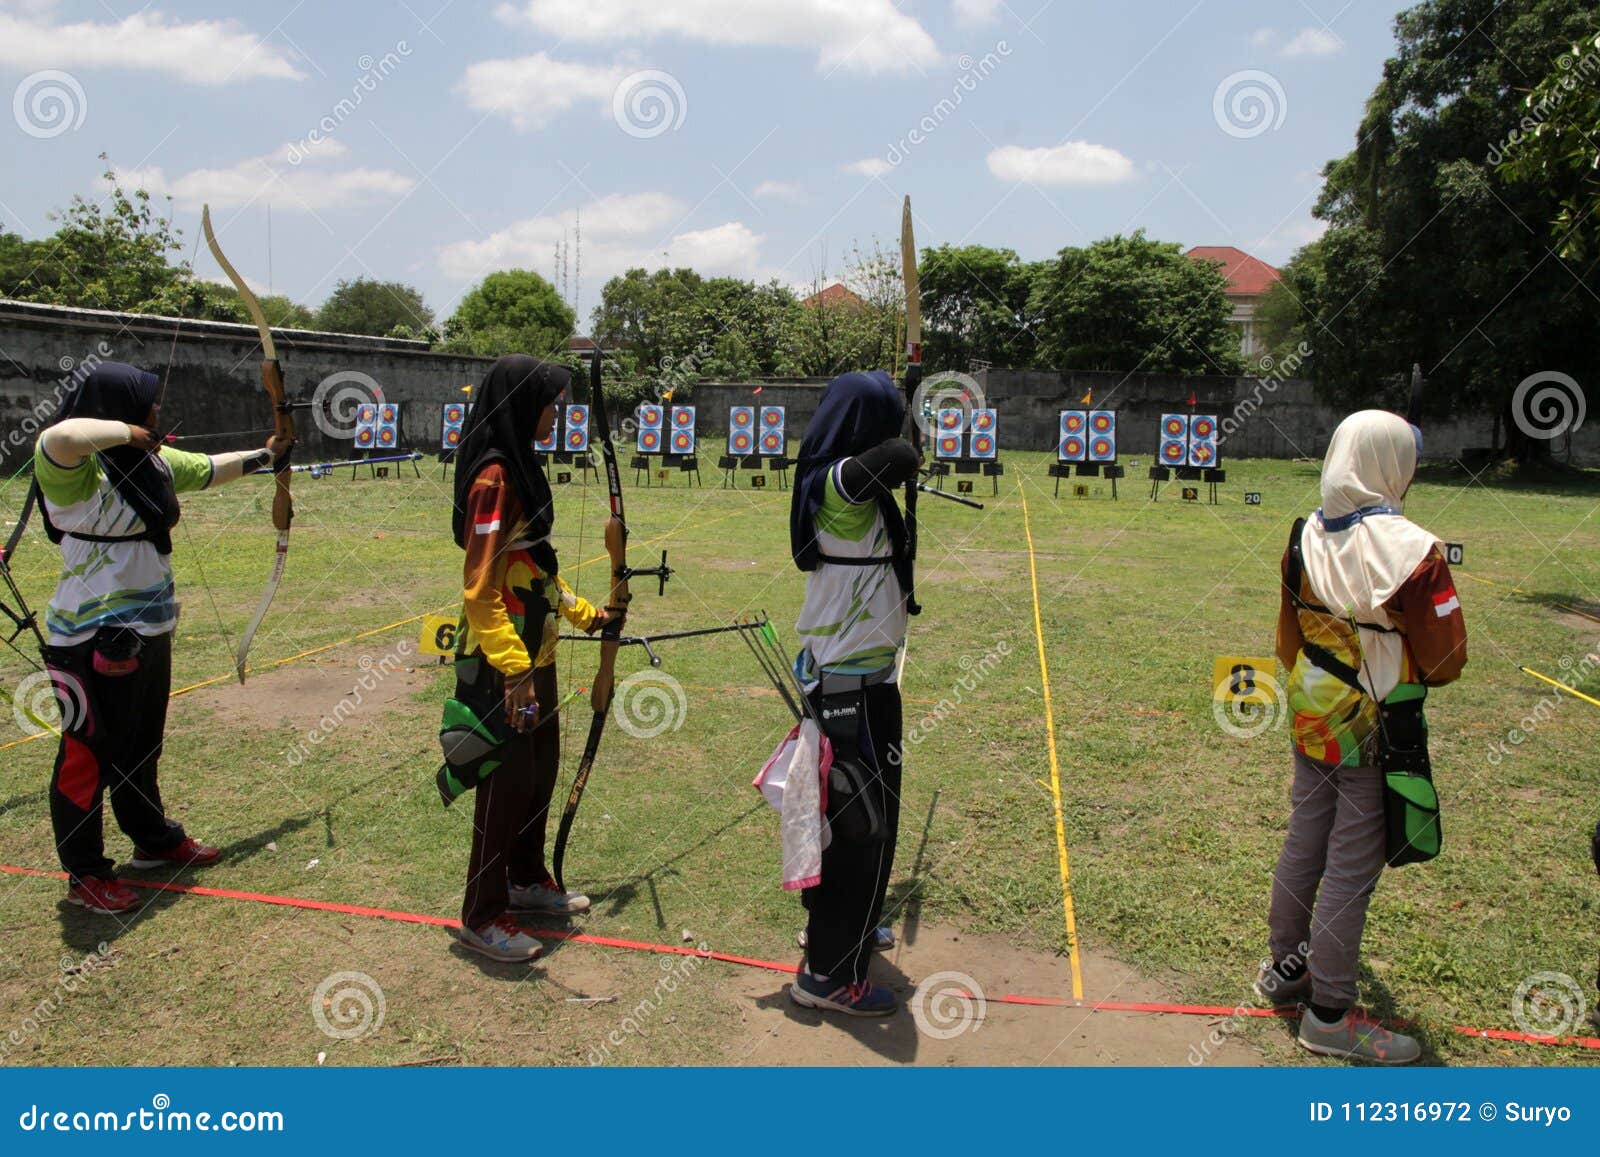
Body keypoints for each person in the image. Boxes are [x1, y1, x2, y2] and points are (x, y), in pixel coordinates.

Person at [31, 362, 286, 914]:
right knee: (87, 753)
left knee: (142, 744)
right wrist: (129, 433)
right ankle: (86, 875)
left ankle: (152, 838)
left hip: (148, 628)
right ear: (120, 412)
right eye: (148, 405)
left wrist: (268, 455)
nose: (157, 413)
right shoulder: (75, 468)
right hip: (87, 636)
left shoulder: (147, 462)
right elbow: (62, 434)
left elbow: (205, 469)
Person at [1258, 409, 1466, 1063]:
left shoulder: (1303, 535)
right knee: (1351, 866)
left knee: (1304, 840)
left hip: (1313, 708)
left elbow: (1288, 640)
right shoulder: (1414, 550)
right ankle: (1327, 1014)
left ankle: (1285, 971)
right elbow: (1445, 660)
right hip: (1375, 721)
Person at [449, 354, 607, 964]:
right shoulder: (495, 477)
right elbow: (481, 586)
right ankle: (483, 915)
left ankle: (523, 877)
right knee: (505, 782)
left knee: (539, 768)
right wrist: (513, 669)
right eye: (550, 403)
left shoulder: (522, 465)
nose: (557, 415)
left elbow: (535, 568)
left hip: (534, 649)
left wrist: (586, 614)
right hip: (503, 658)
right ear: (521, 403)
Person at [785, 370, 919, 1016]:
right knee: (859, 826)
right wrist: (907, 424)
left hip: (861, 685)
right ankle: (830, 976)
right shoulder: (836, 484)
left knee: (856, 825)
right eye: (883, 418)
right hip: (851, 694)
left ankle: (847, 931)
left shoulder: (851, 490)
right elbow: (894, 460)